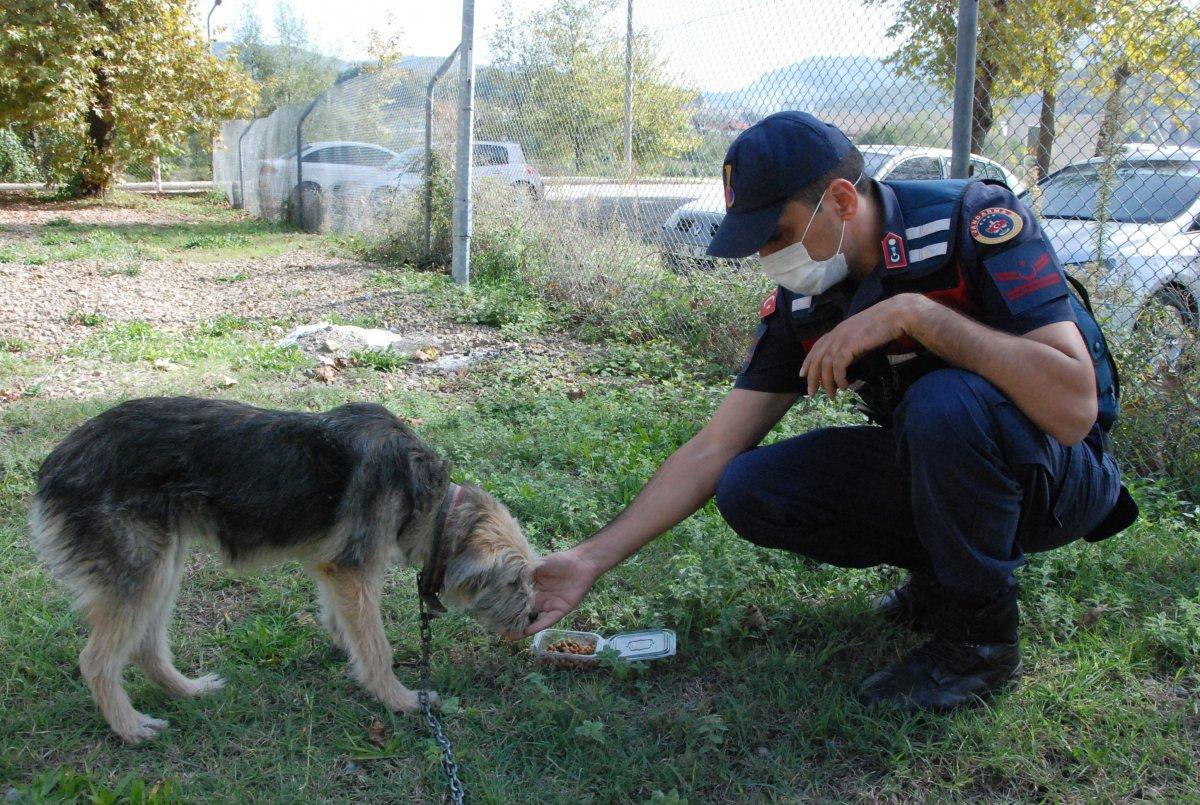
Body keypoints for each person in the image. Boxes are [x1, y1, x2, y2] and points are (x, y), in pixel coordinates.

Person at [517, 111, 1139, 711]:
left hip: (1060, 475)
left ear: (842, 200)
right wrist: (588, 559)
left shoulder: (973, 221)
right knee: (751, 486)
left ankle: (979, 645)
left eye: (778, 236)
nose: (770, 259)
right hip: (947, 464)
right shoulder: (805, 303)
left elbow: (1072, 408)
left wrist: (916, 316)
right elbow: (715, 447)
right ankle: (939, 582)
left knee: (944, 401)